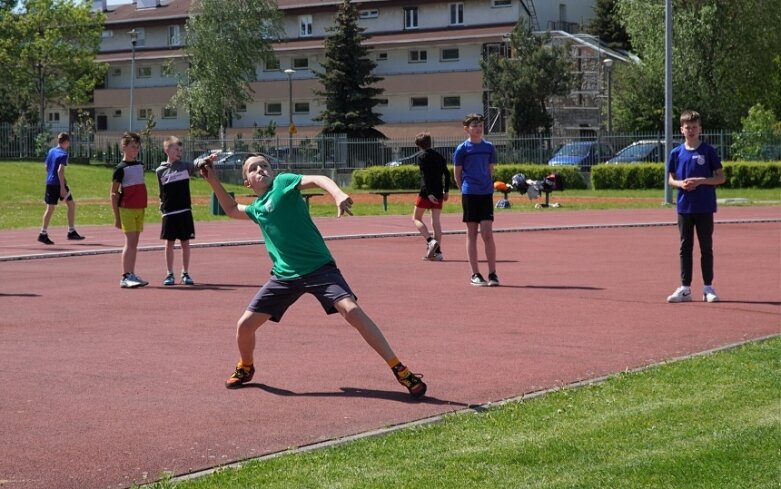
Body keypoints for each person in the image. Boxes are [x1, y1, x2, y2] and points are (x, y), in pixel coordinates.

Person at [200, 154, 427, 398]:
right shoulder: (257, 209)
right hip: (284, 276)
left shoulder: (283, 183)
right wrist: (213, 180)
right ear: (247, 182)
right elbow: (233, 209)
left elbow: (319, 179)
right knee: (244, 326)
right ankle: (246, 366)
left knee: (351, 310)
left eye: (264, 165)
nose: (261, 170)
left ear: (273, 172)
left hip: (319, 268)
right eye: (253, 169)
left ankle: (399, 368)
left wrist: (338, 194)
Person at [666, 110, 726, 303]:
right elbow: (670, 179)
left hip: (705, 207)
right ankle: (685, 288)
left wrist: (701, 181)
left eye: (694, 127)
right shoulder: (676, 153)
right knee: (685, 247)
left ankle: (708, 287)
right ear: (681, 130)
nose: (691, 130)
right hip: (684, 207)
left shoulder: (708, 151)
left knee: (706, 247)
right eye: (687, 127)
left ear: (700, 129)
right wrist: (680, 184)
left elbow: (721, 177)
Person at [453, 113, 499, 287]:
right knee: (472, 233)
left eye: (480, 125)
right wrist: (464, 189)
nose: (478, 128)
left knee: (487, 233)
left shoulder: (489, 147)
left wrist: (487, 184)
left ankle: (493, 273)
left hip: (485, 193)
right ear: (467, 129)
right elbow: (457, 173)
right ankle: (475, 273)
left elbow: (490, 170)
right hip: (470, 193)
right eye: (474, 126)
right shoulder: (462, 149)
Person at [155, 136, 200, 286]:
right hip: (169, 212)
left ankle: (185, 273)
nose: (179, 152)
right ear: (167, 149)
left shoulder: (185, 166)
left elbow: (197, 164)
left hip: (184, 211)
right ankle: (169, 274)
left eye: (181, 150)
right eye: (176, 149)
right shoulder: (160, 171)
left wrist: (208, 159)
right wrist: (161, 207)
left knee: (185, 243)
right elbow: (161, 192)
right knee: (169, 243)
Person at [110, 131, 149, 289]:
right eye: (133, 147)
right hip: (127, 209)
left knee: (135, 243)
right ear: (124, 147)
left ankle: (131, 273)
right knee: (130, 242)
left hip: (140, 208)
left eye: (137, 147)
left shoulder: (140, 166)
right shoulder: (120, 168)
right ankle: (125, 276)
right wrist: (117, 217)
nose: (136, 150)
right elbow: (113, 194)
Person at [38, 132, 85, 245]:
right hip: (58, 184)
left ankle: (43, 233)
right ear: (66, 142)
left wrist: (52, 176)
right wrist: (62, 187)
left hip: (50, 182)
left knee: (52, 208)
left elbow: (46, 167)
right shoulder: (64, 154)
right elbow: (60, 170)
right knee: (71, 205)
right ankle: (71, 231)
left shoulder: (51, 151)